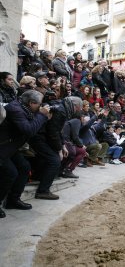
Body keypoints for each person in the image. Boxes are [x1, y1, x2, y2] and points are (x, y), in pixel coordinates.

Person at [0, 90, 50, 218]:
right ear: (31, 103)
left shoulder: (26, 109)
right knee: (10, 172)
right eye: (39, 104)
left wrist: (43, 116)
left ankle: (13, 200)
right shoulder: (15, 109)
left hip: (10, 147)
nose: (41, 106)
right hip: (3, 146)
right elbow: (29, 130)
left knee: (24, 167)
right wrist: (42, 116)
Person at [28, 96, 83, 200]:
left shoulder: (62, 108)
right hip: (38, 136)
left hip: (41, 135)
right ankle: (43, 191)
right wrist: (59, 149)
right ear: (74, 105)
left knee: (51, 158)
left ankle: (39, 177)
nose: (77, 111)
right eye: (78, 109)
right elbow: (53, 132)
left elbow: (57, 131)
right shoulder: (61, 111)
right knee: (55, 160)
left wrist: (62, 146)